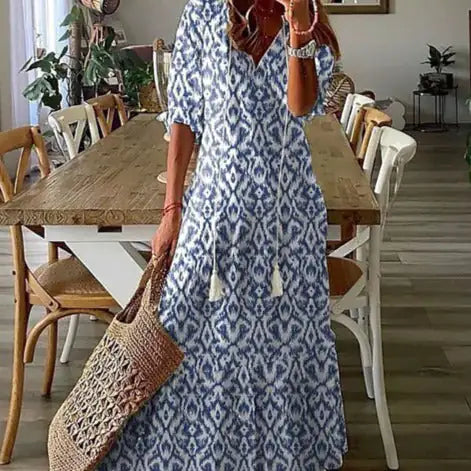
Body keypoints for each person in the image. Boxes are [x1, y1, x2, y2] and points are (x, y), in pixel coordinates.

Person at [98, 0, 347, 469]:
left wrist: (297, 29)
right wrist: (172, 210)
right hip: (215, 211)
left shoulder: (306, 16)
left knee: (282, 342)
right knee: (185, 327)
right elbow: (184, 118)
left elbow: (301, 107)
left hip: (287, 218)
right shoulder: (203, 12)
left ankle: (279, 456)